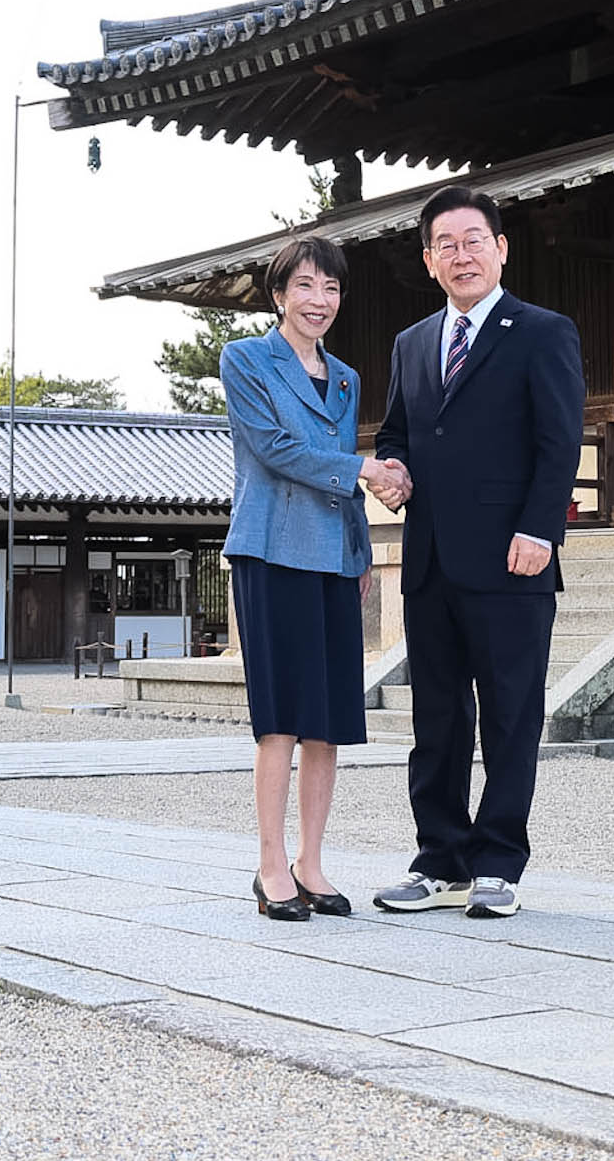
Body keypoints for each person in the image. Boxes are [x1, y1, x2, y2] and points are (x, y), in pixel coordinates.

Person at [369, 185, 583, 920]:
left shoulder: (542, 331)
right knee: (438, 718)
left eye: (474, 240)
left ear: (501, 248)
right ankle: (439, 862)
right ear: (429, 261)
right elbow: (397, 432)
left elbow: (559, 441)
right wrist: (391, 472)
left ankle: (498, 863)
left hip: (510, 557)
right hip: (429, 558)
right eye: (446, 245)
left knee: (510, 715)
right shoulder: (411, 343)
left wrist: (539, 528)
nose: (462, 255)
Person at [218, 233, 411, 921]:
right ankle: (270, 865)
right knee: (281, 720)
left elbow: (338, 473)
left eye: (330, 288)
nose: (318, 300)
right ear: (278, 294)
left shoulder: (349, 377)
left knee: (327, 722)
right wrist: (368, 468)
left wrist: (361, 549)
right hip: (271, 550)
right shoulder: (245, 359)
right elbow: (276, 450)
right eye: (304, 286)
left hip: (335, 556)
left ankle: (312, 862)